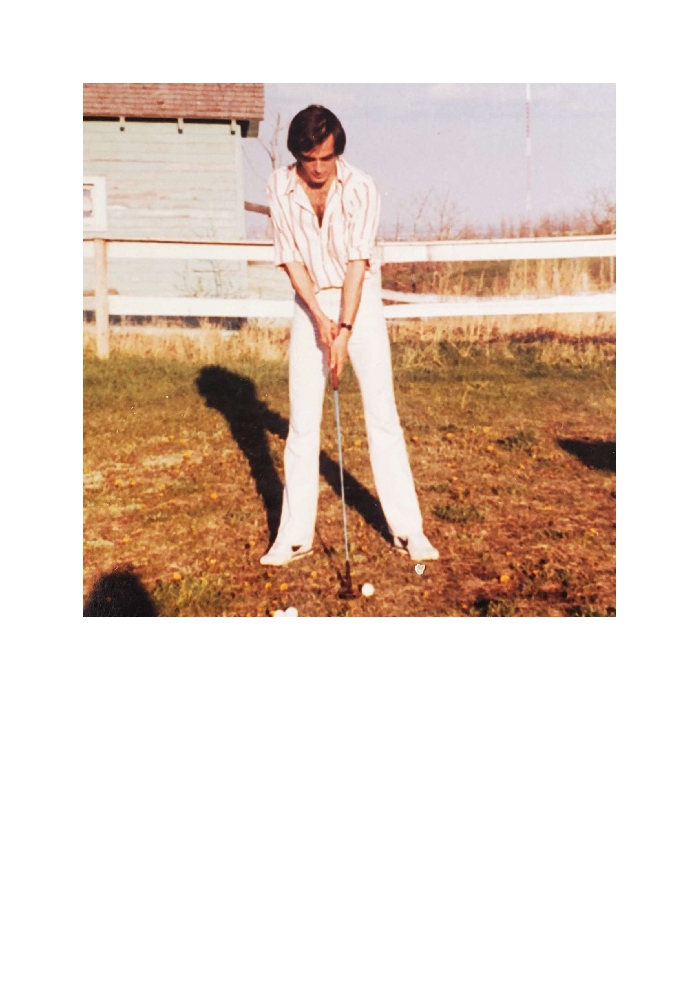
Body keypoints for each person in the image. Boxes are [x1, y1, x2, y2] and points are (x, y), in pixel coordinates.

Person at [260, 104, 439, 566]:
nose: (319, 169)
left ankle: (408, 531)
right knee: (302, 421)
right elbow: (291, 259)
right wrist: (320, 320)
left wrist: (344, 330)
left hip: (359, 298)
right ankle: (293, 537)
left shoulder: (362, 188)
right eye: (309, 159)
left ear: (337, 151)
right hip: (310, 299)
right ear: (296, 155)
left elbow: (358, 264)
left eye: (327, 157)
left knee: (382, 414)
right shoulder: (279, 186)